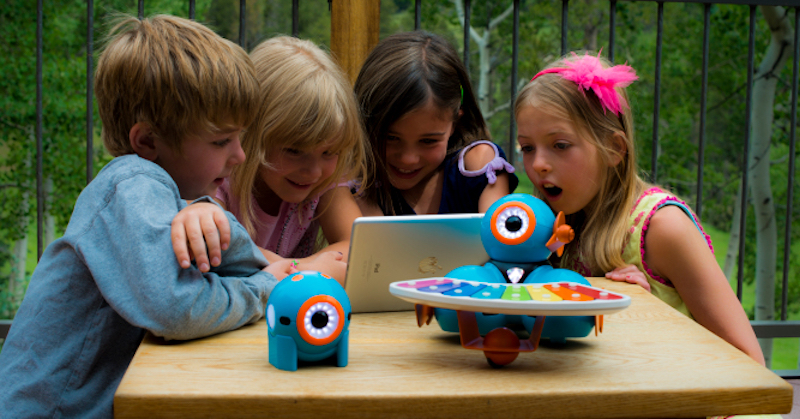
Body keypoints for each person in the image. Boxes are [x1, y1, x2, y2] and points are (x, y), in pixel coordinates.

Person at [0, 15, 339, 418]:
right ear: (147, 141)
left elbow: (232, 266)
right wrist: (266, 288)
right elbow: (177, 310)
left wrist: (208, 212)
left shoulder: (168, 196)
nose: (240, 156)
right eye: (220, 141)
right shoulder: (131, 185)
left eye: (239, 138)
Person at [514, 51, 766, 366]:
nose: (537, 165)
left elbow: (749, 361)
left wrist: (646, 314)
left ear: (614, 149)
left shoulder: (662, 228)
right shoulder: (541, 229)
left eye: (560, 145)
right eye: (527, 147)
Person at [170, 36, 368, 284]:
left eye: (329, 152)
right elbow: (227, 251)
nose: (314, 171)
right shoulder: (220, 182)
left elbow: (359, 244)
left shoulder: (327, 177)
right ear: (253, 135)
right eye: (295, 151)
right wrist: (311, 269)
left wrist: (298, 268)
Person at [353, 31, 518, 216]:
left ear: (455, 123)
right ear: (364, 122)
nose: (408, 158)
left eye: (428, 141)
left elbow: (499, 237)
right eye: (390, 137)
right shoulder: (355, 185)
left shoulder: (478, 165)